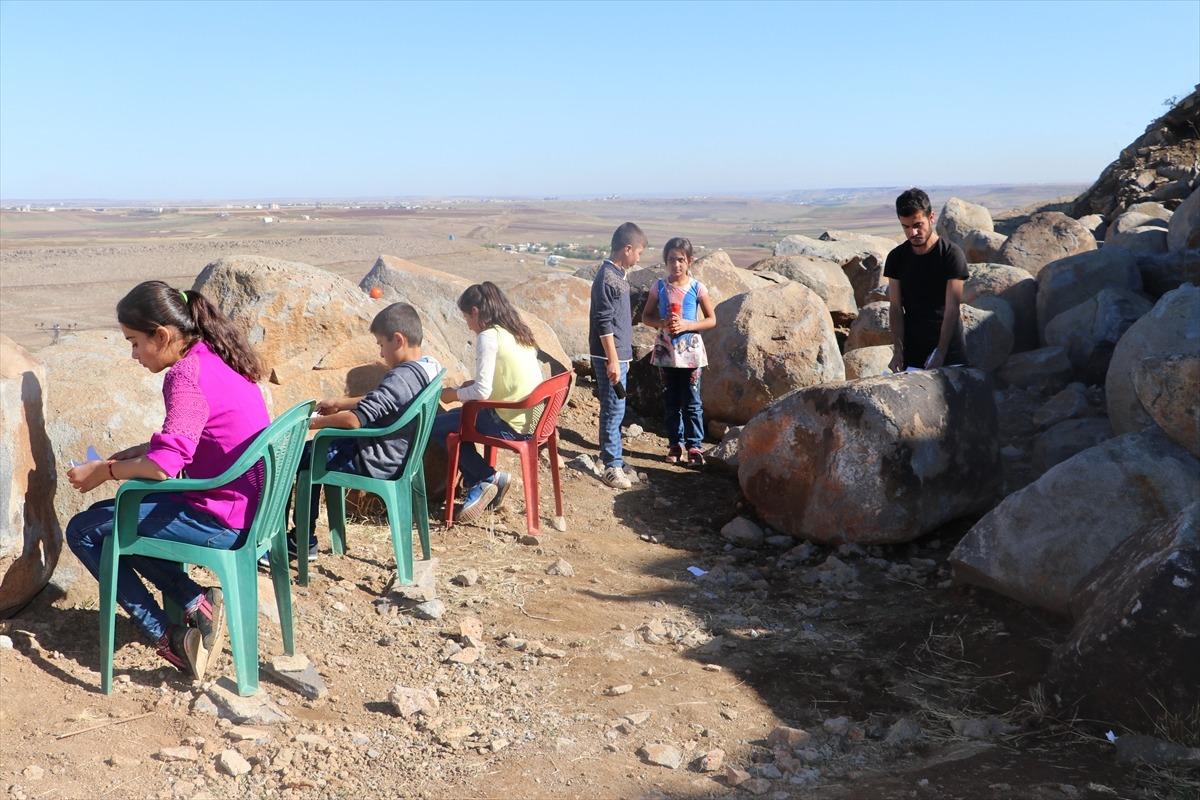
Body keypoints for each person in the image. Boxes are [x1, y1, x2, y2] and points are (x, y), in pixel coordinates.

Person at [65, 281, 270, 680]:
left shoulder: (184, 375)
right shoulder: (215, 355)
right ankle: (196, 602)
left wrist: (103, 471)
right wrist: (142, 449)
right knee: (111, 522)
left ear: (161, 334)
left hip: (220, 519)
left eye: (135, 342)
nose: (134, 354)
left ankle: (168, 636)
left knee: (85, 530)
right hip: (248, 509)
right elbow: (199, 433)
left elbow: (165, 466)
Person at [280, 302, 442, 562]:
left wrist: (311, 423)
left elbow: (356, 421)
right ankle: (300, 537)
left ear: (398, 340)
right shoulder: (426, 367)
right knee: (314, 450)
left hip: (375, 458)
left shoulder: (400, 377)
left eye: (381, 344)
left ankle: (299, 540)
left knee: (302, 457)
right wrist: (339, 403)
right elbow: (382, 399)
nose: (380, 352)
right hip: (398, 454)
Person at [431, 282, 543, 522]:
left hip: (508, 422)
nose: (468, 326)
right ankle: (488, 481)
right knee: (458, 419)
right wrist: (466, 388)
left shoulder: (488, 337)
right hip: (532, 419)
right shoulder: (516, 331)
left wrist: (452, 394)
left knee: (437, 427)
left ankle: (484, 479)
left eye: (466, 318)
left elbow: (482, 391)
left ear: (475, 311)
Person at [640, 237, 716, 465]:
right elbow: (646, 317)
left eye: (681, 260)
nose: (676, 265)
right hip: (667, 352)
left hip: (690, 352)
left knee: (692, 400)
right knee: (671, 401)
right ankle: (675, 444)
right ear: (666, 261)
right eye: (672, 260)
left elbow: (712, 319)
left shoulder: (697, 287)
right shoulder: (659, 287)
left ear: (689, 261)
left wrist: (688, 325)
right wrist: (663, 323)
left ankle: (694, 446)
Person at [884, 188, 969, 371]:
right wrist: (898, 351)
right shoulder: (896, 258)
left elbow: (952, 308)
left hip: (950, 352)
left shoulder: (951, 255)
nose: (912, 232)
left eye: (917, 225)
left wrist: (941, 352)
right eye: (905, 227)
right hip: (913, 353)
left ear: (931, 217)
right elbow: (896, 307)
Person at [589, 222, 646, 489]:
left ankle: (614, 459)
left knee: (615, 409)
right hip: (609, 357)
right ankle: (611, 465)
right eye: (639, 252)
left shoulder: (618, 276)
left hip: (619, 357)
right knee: (613, 410)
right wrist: (612, 359)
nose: (639, 258)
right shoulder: (607, 277)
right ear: (627, 248)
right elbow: (604, 323)